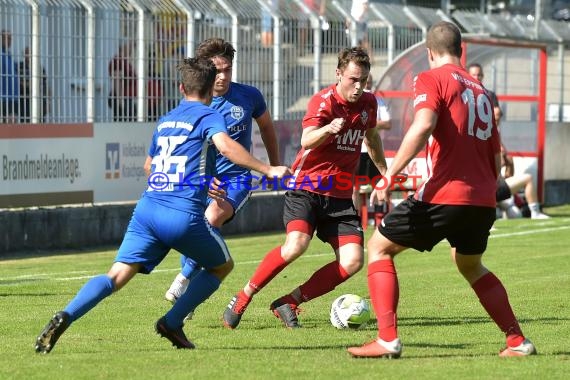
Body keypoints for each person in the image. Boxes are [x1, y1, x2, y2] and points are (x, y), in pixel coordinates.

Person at [34, 57, 291, 354]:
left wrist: (202, 181)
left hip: (146, 211)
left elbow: (149, 166)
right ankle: (172, 321)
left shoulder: (167, 119)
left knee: (115, 276)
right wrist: (268, 169)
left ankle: (67, 314)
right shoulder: (208, 115)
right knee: (222, 266)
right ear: (210, 90)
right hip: (181, 215)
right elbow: (225, 146)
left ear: (181, 87)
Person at [347, 21, 536, 358]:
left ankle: (387, 339)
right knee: (470, 265)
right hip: (481, 200)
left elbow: (423, 125)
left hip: (446, 194)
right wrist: (488, 192)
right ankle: (517, 342)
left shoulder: (431, 78)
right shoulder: (479, 88)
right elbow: (495, 154)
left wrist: (390, 174)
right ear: (461, 50)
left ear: (429, 52)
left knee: (378, 247)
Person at [222, 46, 387, 329]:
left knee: (352, 261)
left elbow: (371, 138)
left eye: (364, 80)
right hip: (306, 188)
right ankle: (243, 296)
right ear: (338, 74)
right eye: (353, 80)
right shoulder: (323, 102)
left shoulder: (368, 104)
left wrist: (385, 174)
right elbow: (306, 140)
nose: (359, 87)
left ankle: (289, 302)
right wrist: (327, 129)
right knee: (296, 245)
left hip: (339, 195)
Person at [163, 38, 281, 316]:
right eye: (217, 70)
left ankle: (181, 281)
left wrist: (274, 166)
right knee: (192, 229)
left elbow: (266, 128)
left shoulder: (249, 96)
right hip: (203, 179)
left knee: (212, 218)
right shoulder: (193, 105)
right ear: (205, 71)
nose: (224, 76)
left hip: (237, 180)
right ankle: (188, 297)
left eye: (228, 69)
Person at [468, 63, 549, 220]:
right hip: (482, 182)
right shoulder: (467, 96)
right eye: (474, 75)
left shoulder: (488, 97)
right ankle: (516, 208)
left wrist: (503, 153)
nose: (496, 115)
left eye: (479, 75)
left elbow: (495, 134)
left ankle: (509, 206)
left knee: (513, 210)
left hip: (492, 183)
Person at [352, 72, 391, 215]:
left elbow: (388, 123)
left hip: (373, 150)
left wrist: (369, 123)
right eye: (364, 82)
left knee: (378, 182)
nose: (366, 85)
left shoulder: (377, 101)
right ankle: (353, 216)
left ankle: (380, 217)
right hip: (357, 150)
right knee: (354, 186)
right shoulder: (353, 100)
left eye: (368, 82)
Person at [18, 46, 50, 123]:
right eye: (27, 53)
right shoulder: (20, 67)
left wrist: (49, 101)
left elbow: (45, 86)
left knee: (41, 123)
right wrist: (34, 85)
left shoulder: (40, 68)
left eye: (31, 53)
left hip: (40, 103)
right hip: (25, 103)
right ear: (24, 55)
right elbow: (19, 83)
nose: (29, 55)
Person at [108, 42, 137, 122]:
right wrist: (120, 101)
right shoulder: (118, 61)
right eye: (130, 46)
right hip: (122, 99)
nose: (132, 49)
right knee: (124, 122)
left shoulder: (125, 61)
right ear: (124, 47)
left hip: (127, 99)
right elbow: (117, 81)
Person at [1, 30, 19, 123]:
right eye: (7, 38)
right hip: (4, 96)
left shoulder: (9, 55)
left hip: (13, 96)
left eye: (10, 38)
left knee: (13, 123)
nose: (9, 41)